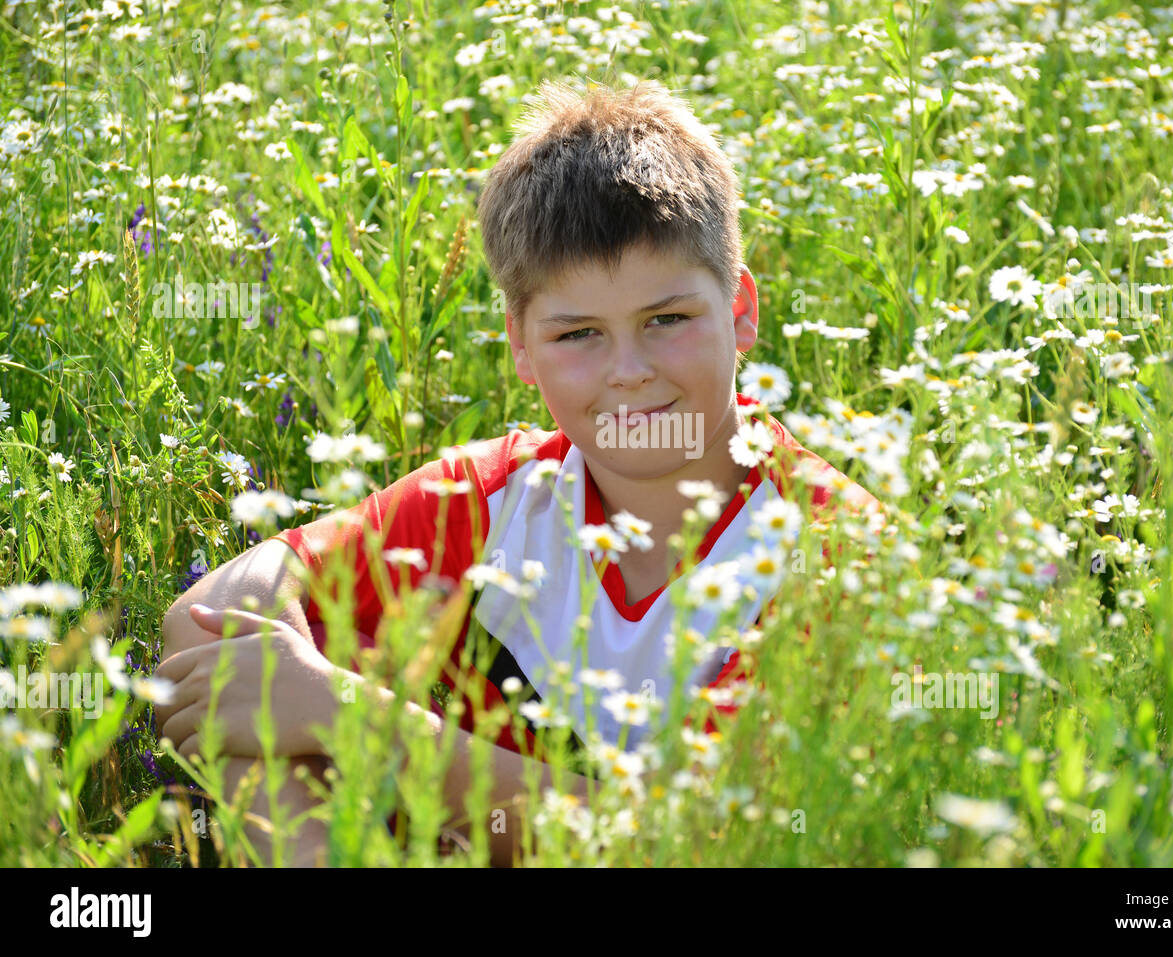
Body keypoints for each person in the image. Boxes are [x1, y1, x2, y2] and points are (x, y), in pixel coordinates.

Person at [156, 77, 879, 867]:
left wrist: (355, 717)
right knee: (248, 679)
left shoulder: (839, 552)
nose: (629, 371)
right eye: (578, 334)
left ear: (740, 310)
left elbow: (717, 843)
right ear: (522, 345)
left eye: (666, 320)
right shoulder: (498, 497)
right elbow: (207, 612)